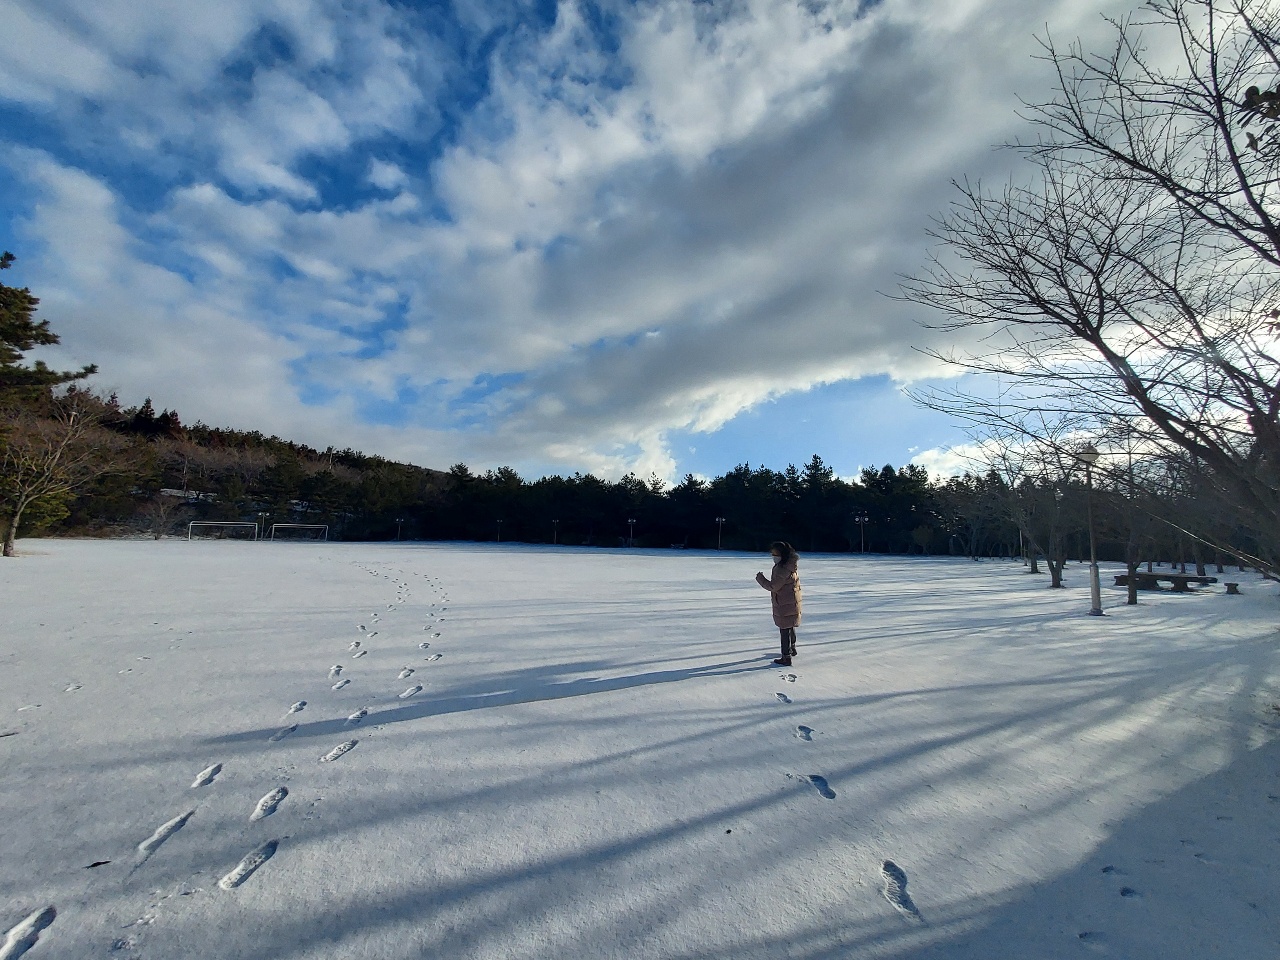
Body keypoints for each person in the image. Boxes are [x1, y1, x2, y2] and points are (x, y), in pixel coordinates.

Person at [756, 541, 802, 666]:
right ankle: (792, 648)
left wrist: (760, 579)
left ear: (782, 554)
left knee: (784, 628)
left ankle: (786, 657)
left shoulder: (782, 569)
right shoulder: (790, 565)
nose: (773, 556)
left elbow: (773, 586)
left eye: (775, 553)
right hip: (791, 601)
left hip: (784, 602)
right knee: (789, 625)